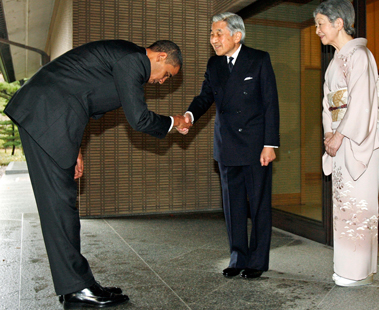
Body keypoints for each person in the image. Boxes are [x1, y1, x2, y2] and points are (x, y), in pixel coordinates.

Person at [4, 39, 191, 308]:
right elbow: (138, 119)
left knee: (63, 203)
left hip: (55, 118)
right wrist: (175, 121)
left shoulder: (127, 61)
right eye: (167, 75)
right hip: (46, 116)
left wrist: (75, 147)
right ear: (161, 56)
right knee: (59, 205)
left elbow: (82, 96)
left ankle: (79, 284)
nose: (163, 82)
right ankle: (76, 289)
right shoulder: (133, 61)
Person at [177, 12, 280, 279]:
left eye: (218, 33)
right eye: (211, 34)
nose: (213, 39)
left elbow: (271, 104)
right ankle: (237, 258)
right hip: (227, 146)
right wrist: (188, 116)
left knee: (258, 204)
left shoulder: (259, 59)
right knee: (232, 205)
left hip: (257, 146)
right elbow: (204, 98)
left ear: (237, 35)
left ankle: (256, 261)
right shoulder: (214, 66)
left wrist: (270, 144)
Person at [314, 0, 379, 286]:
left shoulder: (359, 55)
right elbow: (329, 105)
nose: (317, 31)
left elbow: (363, 102)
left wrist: (340, 134)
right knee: (344, 205)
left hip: (355, 140)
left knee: (359, 204)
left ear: (338, 22)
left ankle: (357, 271)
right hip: (341, 140)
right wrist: (330, 132)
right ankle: (349, 268)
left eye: (320, 24)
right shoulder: (336, 60)